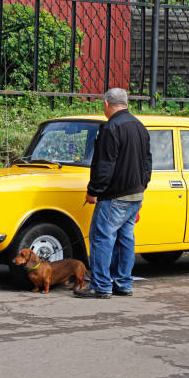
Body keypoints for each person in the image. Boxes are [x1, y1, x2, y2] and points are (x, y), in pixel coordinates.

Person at [74, 88, 152, 299]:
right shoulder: (140, 127)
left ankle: (100, 285)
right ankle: (123, 283)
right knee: (126, 238)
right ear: (125, 103)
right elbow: (147, 162)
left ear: (107, 104)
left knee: (101, 237)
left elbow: (104, 165)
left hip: (115, 196)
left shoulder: (111, 128)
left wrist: (94, 191)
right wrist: (142, 186)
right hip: (136, 193)